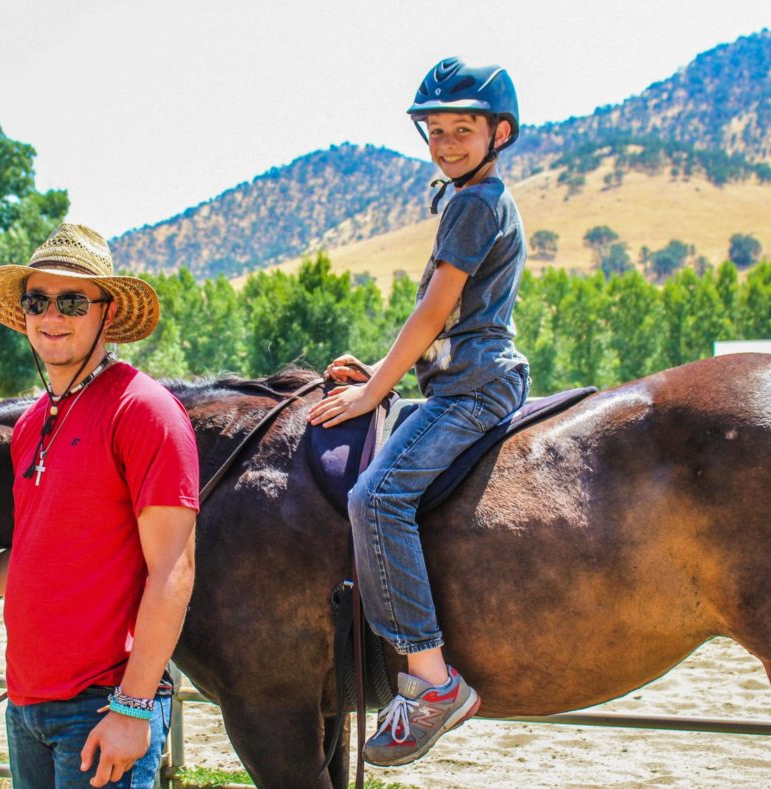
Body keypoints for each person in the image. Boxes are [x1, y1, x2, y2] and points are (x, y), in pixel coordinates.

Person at [307, 57, 531, 767]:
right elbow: (448, 315)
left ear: (500, 132)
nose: (444, 143)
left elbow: (436, 309)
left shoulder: (473, 202)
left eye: (462, 129)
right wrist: (380, 370)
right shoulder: (471, 196)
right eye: (434, 130)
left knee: (375, 497)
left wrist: (374, 393)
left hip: (472, 387)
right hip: (462, 375)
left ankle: (433, 681)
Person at [0, 223, 200, 789]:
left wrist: (134, 707)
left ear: (107, 310)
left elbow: (174, 568)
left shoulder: (143, 411)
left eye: (72, 300)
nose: (52, 315)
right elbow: (32, 556)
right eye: (38, 300)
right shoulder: (30, 425)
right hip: (26, 704)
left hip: (102, 707)